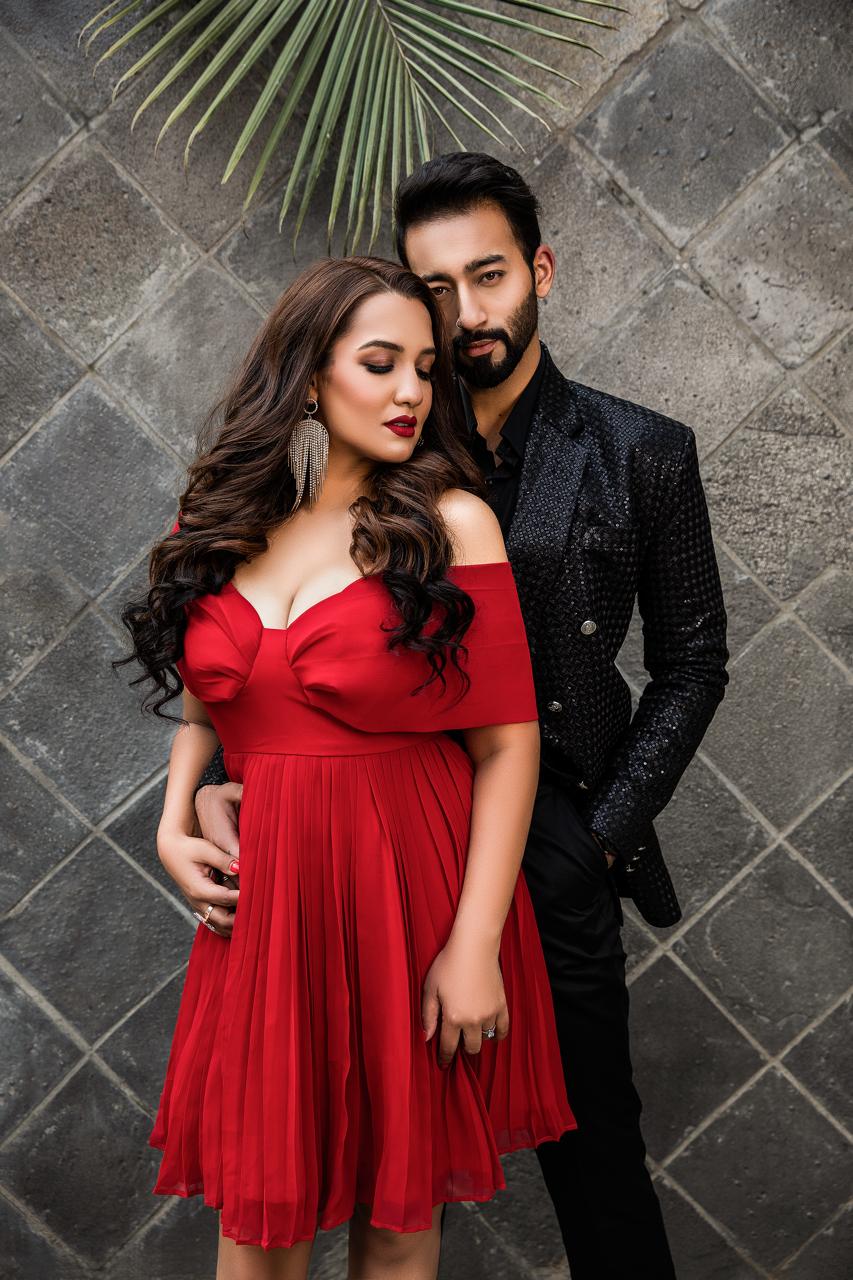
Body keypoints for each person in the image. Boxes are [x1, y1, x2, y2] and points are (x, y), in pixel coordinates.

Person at [191, 153, 730, 1279]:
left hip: (550, 831)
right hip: (357, 847)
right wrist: (201, 792)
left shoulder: (636, 450)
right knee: (318, 1170)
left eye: (488, 276)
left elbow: (691, 666)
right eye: (434, 290)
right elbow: (247, 651)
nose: (466, 311)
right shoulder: (373, 456)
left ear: (539, 271)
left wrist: (597, 841)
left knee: (595, 1155)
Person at [119, 255, 576, 1280]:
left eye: (426, 368)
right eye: (380, 364)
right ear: (308, 375)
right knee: (260, 1223)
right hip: (269, 907)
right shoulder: (224, 527)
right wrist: (172, 821)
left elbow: (507, 743)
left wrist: (473, 945)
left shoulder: (451, 524)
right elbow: (207, 702)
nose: (411, 390)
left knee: (396, 1227)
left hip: (406, 891)